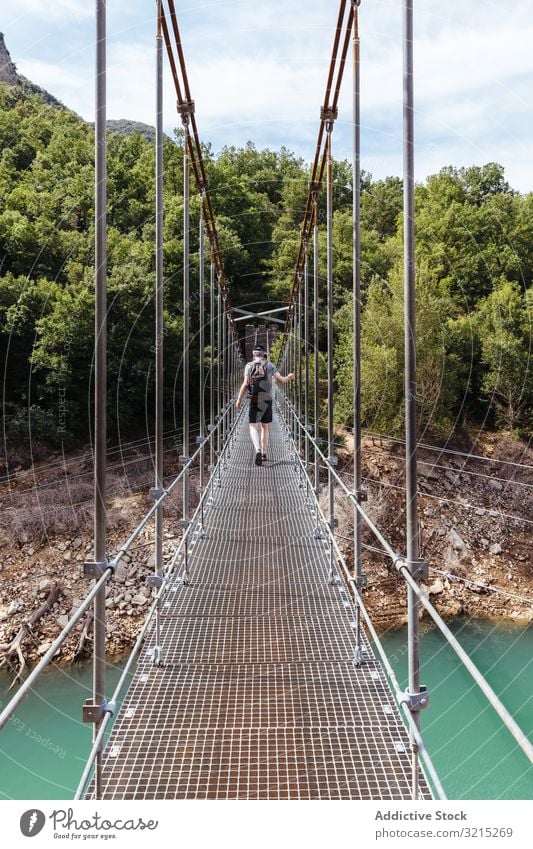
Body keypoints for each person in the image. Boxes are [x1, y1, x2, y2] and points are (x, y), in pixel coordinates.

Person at [235, 343, 294, 466]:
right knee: (265, 427)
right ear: (264, 354)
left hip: (254, 399)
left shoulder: (248, 366)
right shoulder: (270, 365)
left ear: (253, 354)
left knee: (252, 426)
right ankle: (264, 453)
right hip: (267, 399)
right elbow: (282, 380)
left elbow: (245, 384)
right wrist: (289, 377)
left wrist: (239, 399)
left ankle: (257, 449)